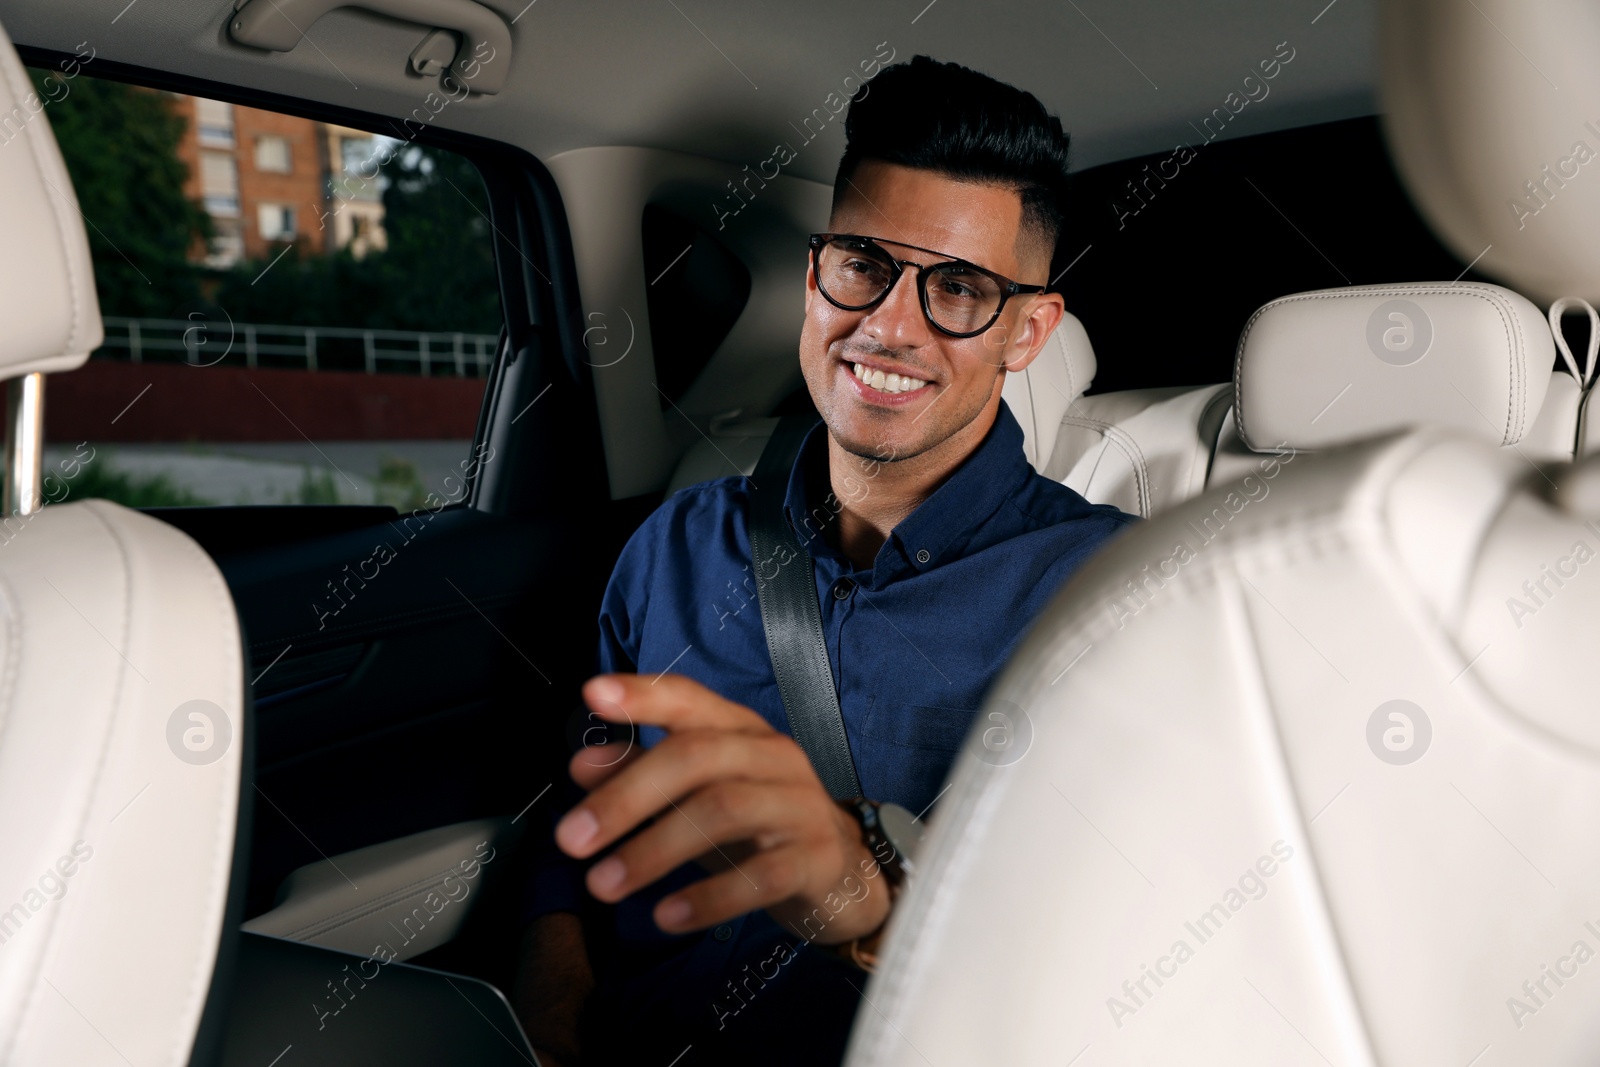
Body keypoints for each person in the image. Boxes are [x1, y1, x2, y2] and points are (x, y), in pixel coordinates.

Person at [513, 55, 1136, 1066]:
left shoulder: (1116, 599)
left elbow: (1120, 941)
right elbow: (579, 813)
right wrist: (552, 1010)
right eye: (862, 264)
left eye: (961, 289)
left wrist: (866, 894)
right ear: (814, 273)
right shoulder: (671, 545)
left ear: (1028, 330)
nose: (890, 325)